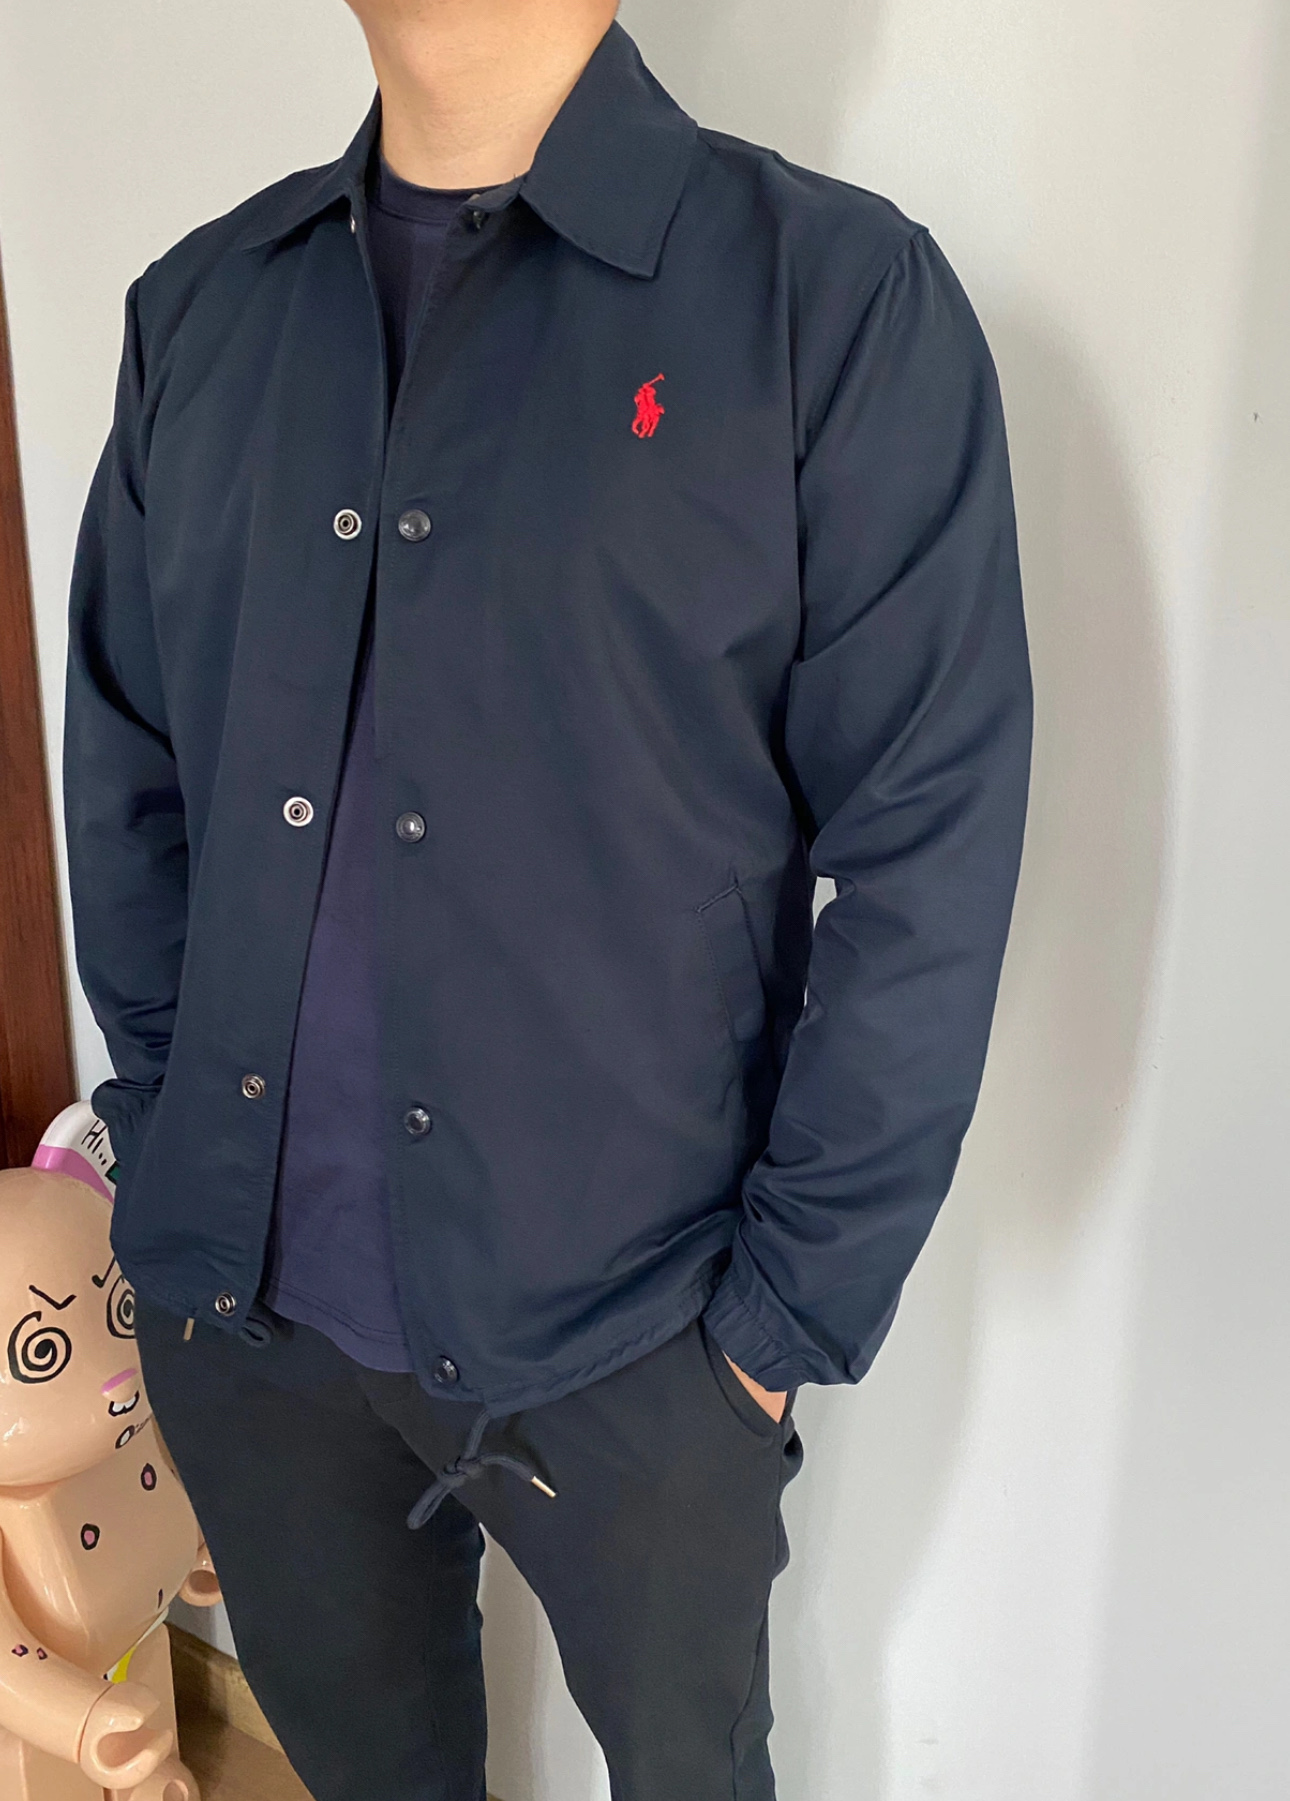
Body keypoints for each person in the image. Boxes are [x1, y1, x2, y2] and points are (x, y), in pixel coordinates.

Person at [62, 1, 1032, 1795]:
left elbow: (927, 850)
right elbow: (129, 782)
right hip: (246, 1316)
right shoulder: (200, 311)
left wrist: (773, 1325)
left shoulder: (827, 303)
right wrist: (165, 1125)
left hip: (642, 1331)